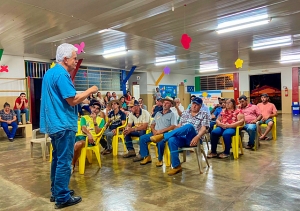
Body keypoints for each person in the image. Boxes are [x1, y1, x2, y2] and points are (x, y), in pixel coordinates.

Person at [40, 43, 98, 209]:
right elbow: (72, 100)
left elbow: (62, 98)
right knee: (64, 162)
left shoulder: (50, 74)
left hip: (53, 124)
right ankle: (62, 197)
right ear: (65, 59)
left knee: (57, 160)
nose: (75, 61)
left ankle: (56, 191)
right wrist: (90, 90)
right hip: (63, 124)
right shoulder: (62, 75)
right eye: (74, 58)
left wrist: (82, 99)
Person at [149, 97, 210, 175]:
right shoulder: (185, 113)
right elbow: (179, 125)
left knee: (189, 126)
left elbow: (204, 128)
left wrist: (198, 136)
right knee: (172, 140)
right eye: (193, 104)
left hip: (194, 138)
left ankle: (163, 136)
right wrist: (174, 130)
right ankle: (176, 166)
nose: (194, 106)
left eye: (197, 105)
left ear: (200, 106)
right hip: (182, 137)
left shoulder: (204, 114)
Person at [137, 98, 177, 165]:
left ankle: (160, 159)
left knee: (160, 142)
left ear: (171, 105)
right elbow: (152, 124)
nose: (165, 104)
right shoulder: (158, 113)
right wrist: (154, 131)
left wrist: (161, 131)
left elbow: (173, 126)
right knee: (142, 138)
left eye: (167, 103)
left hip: (164, 134)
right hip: (154, 133)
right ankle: (147, 157)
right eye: (164, 102)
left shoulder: (172, 114)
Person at [72, 102, 105, 171]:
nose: (95, 110)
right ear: (90, 108)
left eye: (97, 109)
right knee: (65, 141)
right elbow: (83, 128)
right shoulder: (84, 118)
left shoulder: (101, 120)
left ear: (99, 111)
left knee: (78, 144)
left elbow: (98, 132)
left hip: (92, 140)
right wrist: (89, 134)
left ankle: (72, 164)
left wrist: (94, 121)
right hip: (82, 136)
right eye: (94, 107)